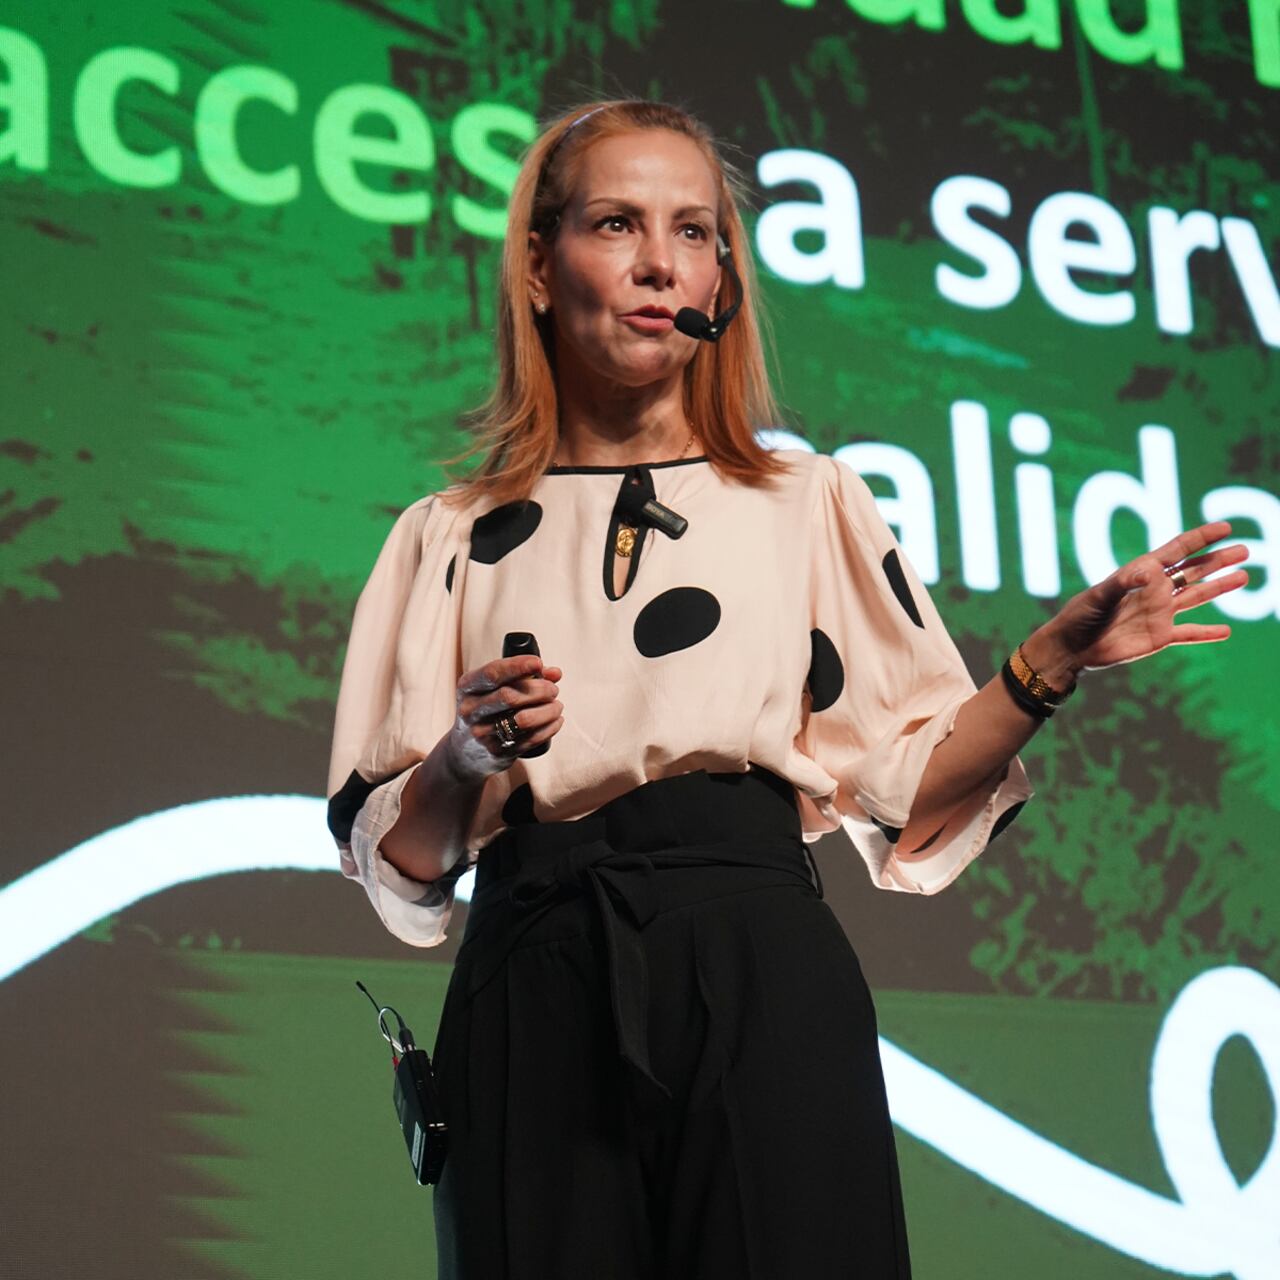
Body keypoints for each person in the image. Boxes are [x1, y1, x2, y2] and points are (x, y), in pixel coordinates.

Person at [326, 99, 1249, 1279]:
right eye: (617, 223)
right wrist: (464, 753)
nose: (661, 261)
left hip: (756, 963)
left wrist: (1046, 664)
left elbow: (907, 799)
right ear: (541, 266)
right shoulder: (443, 535)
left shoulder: (804, 500)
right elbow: (397, 869)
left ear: (724, 274)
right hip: (534, 975)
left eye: (695, 231)